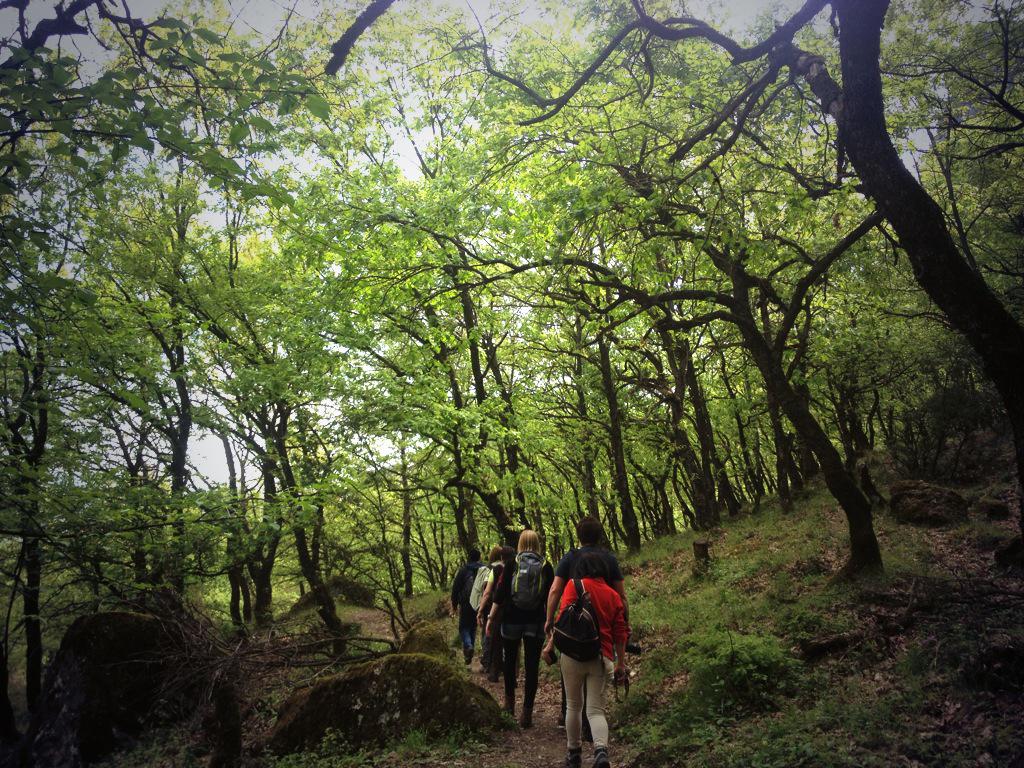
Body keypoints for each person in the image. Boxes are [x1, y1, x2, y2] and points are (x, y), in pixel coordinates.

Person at [544, 517, 630, 729]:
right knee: (597, 674)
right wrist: (625, 623)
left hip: (572, 626)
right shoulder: (609, 559)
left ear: (578, 535)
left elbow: (555, 590)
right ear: (600, 535)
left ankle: (569, 717)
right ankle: (593, 722)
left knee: (571, 665)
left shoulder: (570, 557)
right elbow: (622, 595)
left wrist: (549, 619)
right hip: (604, 628)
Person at [546, 551, 627, 768]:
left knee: (573, 706)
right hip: (602, 656)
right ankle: (601, 752)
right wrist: (621, 663)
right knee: (596, 710)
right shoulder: (613, 595)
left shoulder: (574, 586)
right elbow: (620, 632)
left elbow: (564, 618)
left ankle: (574, 755)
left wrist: (550, 644)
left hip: (572, 655)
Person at [485, 529, 553, 728]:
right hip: (536, 621)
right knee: (532, 666)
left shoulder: (512, 563)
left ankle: (509, 706)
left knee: (510, 661)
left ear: (520, 543)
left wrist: (490, 616)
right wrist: (550, 622)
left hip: (511, 619)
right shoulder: (546, 566)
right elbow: (551, 596)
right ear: (538, 543)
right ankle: (527, 714)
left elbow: (500, 592)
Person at [479, 545, 515, 682]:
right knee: (512, 644)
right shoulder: (517, 569)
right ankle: (512, 675)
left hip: (499, 609)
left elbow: (488, 592)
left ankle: (494, 672)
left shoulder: (496, 569)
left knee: (496, 640)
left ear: (501, 557)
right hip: (514, 609)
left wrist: (482, 611)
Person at [450, 547, 484, 665]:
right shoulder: (483, 569)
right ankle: (469, 653)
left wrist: (454, 605)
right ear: (479, 557)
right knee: (473, 627)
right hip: (480, 603)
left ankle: (469, 646)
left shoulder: (463, 570)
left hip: (466, 603)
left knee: (464, 627)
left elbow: (455, 589)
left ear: (468, 558)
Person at [475, 545, 503, 674]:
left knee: (487, 634)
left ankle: (487, 663)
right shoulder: (508, 568)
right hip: (505, 607)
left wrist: (480, 609)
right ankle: (500, 664)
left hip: (490, 607)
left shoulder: (488, 569)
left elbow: (486, 592)